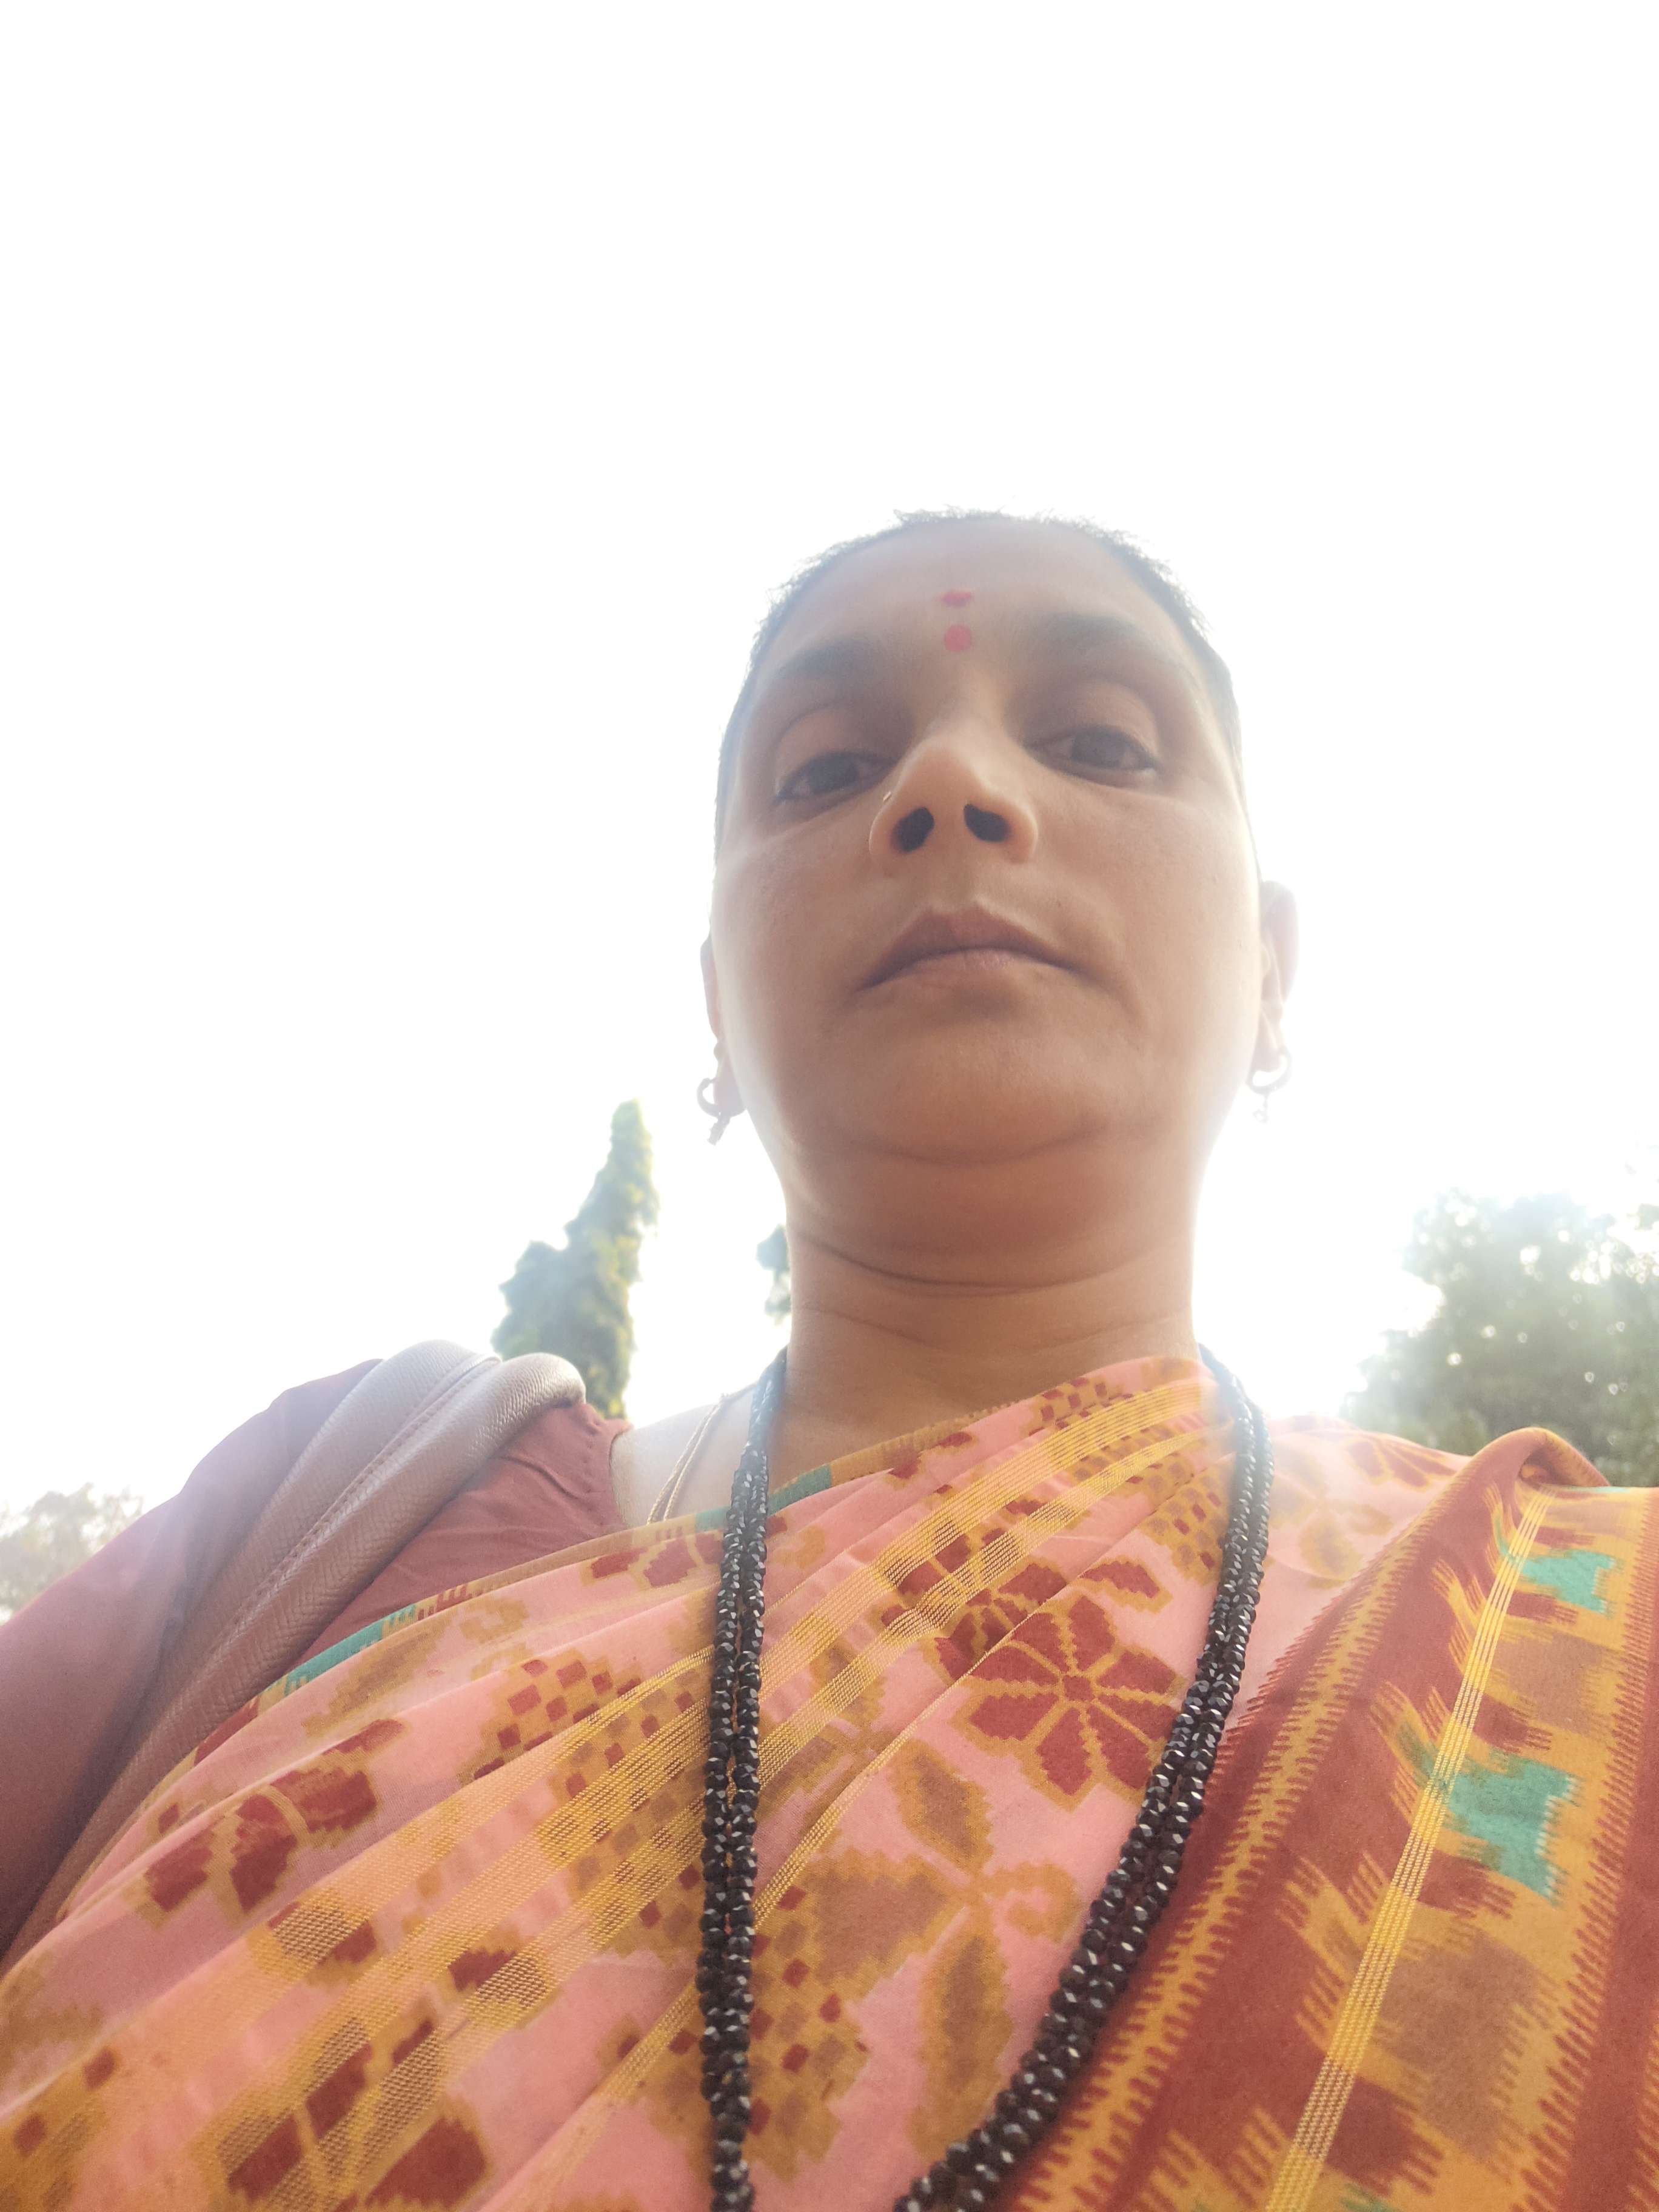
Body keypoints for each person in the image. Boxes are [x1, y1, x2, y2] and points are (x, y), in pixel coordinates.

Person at [2, 511, 1654, 2212]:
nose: (951, 786)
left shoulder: (1566, 1640)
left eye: (1101, 741)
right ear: (717, 1011)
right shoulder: (350, 1505)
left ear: (1275, 967)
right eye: (824, 770)